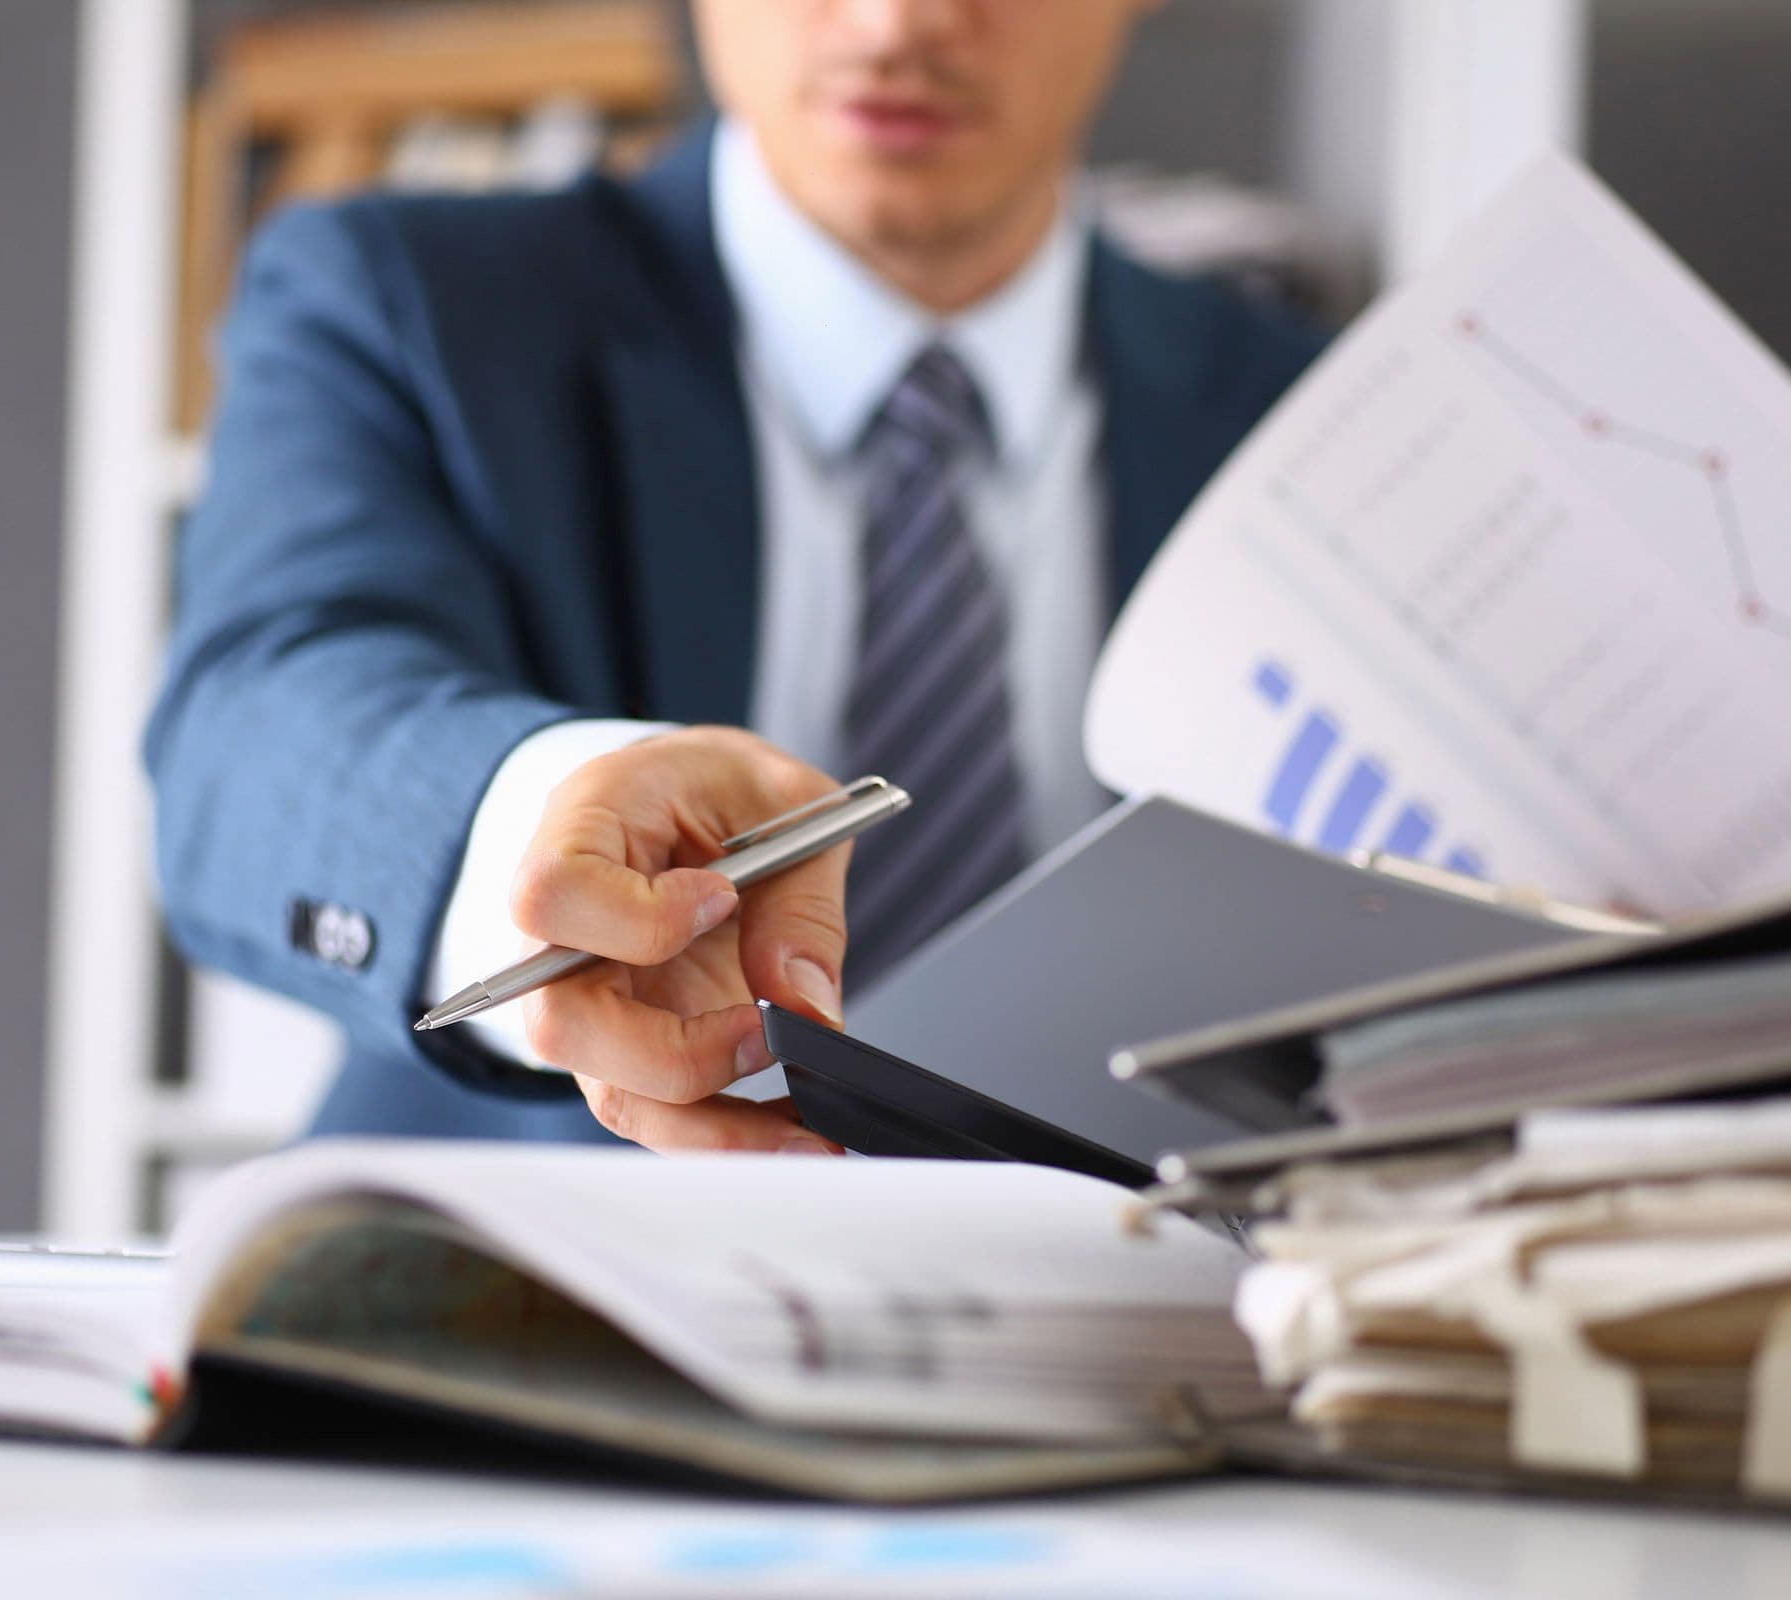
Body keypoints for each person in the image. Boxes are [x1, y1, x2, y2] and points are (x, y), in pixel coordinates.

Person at [146, 0, 1327, 1153]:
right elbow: (256, 726)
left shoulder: (1313, 420)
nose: (895, 26)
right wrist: (552, 821)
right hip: (521, 1297)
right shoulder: (401, 301)